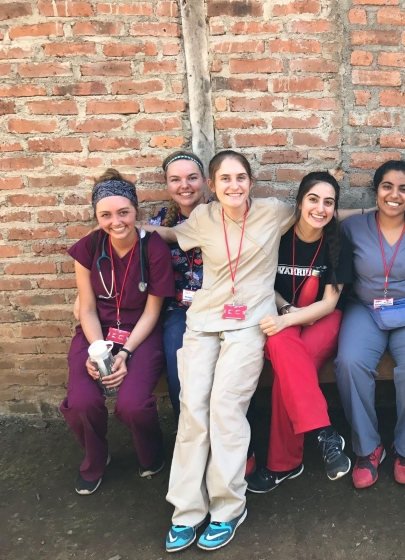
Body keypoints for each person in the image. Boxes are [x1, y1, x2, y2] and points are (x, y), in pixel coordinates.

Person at [154, 151, 295, 552]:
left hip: (250, 325)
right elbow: (169, 235)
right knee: (193, 409)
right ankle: (186, 510)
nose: (234, 185)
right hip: (203, 323)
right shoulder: (201, 219)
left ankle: (228, 506)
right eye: (225, 179)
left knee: (225, 408)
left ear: (251, 181)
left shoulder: (273, 212)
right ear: (212, 187)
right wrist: (133, 226)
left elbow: (322, 216)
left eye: (241, 177)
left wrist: (377, 211)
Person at [61, 169, 175, 495]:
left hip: (141, 334)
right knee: (82, 402)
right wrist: (99, 351)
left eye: (123, 212)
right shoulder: (87, 248)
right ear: (97, 216)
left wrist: (124, 354)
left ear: (136, 211)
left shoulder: (154, 249)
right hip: (96, 333)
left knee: (133, 404)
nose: (116, 221)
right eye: (106, 215)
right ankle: (96, 457)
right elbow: (85, 308)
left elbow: (153, 311)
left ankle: (151, 455)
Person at [245, 172, 353, 494]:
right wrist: (286, 313)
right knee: (289, 369)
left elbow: (330, 302)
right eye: (313, 199)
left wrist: (288, 320)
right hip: (280, 315)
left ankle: (285, 465)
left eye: (329, 202)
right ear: (300, 202)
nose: (320, 208)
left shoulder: (338, 243)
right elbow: (262, 283)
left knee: (287, 373)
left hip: (323, 319)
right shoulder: (277, 235)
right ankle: (324, 433)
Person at [335, 160, 405, 488]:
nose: (395, 195)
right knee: (349, 363)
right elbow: (318, 221)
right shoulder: (354, 227)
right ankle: (368, 447)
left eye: (404, 189)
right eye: (387, 187)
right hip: (365, 307)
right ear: (376, 190)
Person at [147, 151, 208, 420]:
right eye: (176, 179)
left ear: (205, 180)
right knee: (176, 361)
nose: (184, 185)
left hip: (220, 305)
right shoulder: (158, 223)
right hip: (178, 311)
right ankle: (187, 429)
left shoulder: (223, 214)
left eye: (192, 178)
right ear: (167, 185)